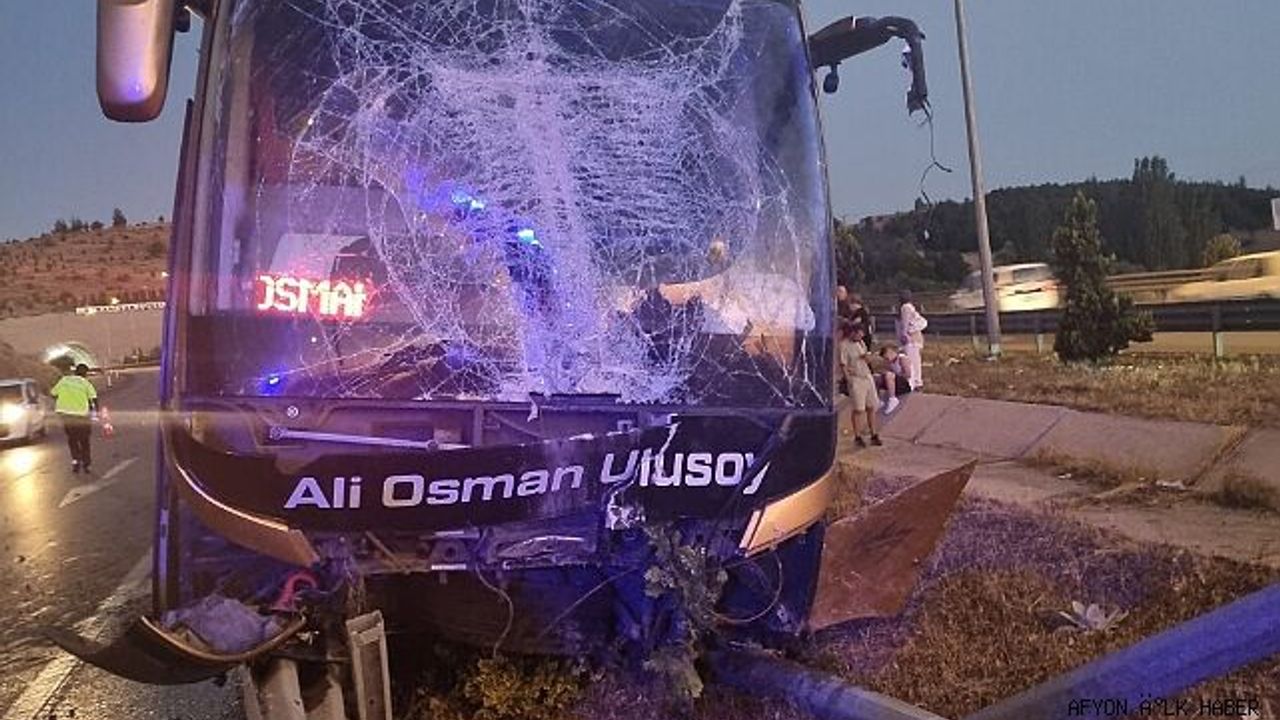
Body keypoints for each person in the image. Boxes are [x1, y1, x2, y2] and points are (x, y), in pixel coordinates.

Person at [839, 321, 882, 449]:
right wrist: (848, 380)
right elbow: (843, 364)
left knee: (871, 406)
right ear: (853, 333)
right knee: (859, 409)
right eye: (858, 334)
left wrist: (868, 358)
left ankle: (874, 434)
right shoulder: (844, 345)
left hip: (866, 376)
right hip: (856, 378)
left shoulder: (861, 343)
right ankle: (857, 436)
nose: (860, 337)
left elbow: (867, 358)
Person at [51, 363, 98, 473]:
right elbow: (94, 399)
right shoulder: (85, 383)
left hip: (66, 414)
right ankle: (86, 464)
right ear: (85, 373)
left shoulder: (64, 380)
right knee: (84, 440)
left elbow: (53, 393)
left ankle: (76, 460)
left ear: (75, 371)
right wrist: (95, 413)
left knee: (72, 439)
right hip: (81, 415)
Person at [895, 289, 927, 389]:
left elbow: (905, 322)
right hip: (914, 337)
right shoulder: (910, 307)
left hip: (911, 337)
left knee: (912, 361)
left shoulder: (905, 307)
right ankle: (916, 381)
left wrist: (904, 334)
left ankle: (915, 382)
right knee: (915, 360)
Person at [876, 344, 914, 415]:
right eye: (885, 359)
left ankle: (892, 399)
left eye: (887, 358)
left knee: (889, 375)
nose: (886, 360)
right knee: (877, 377)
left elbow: (908, 374)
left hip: (906, 384)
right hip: (896, 383)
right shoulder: (890, 362)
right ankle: (878, 400)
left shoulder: (902, 359)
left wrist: (894, 375)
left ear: (892, 353)